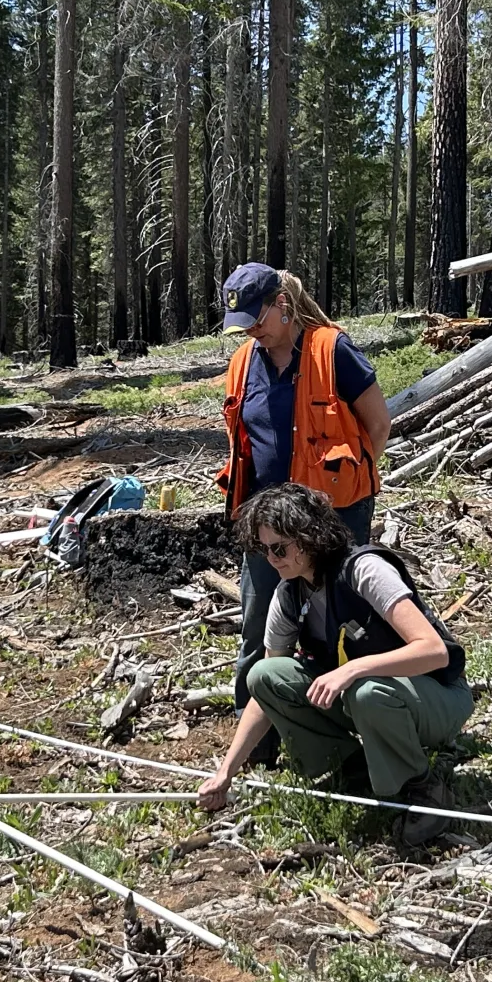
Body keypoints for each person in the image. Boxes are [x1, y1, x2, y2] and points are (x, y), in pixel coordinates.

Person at [196, 483, 473, 846]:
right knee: (264, 675)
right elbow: (264, 693)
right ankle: (353, 769)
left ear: (310, 537)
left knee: (367, 690)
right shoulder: (289, 594)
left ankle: (422, 790)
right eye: (263, 550)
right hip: (368, 698)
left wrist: (353, 668)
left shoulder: (364, 571)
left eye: (279, 548)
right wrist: (225, 772)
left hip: (435, 698)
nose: (272, 558)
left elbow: (434, 651)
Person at [216, 263, 391, 734]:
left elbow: (378, 424)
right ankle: (253, 727)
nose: (251, 330)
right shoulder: (241, 364)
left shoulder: (332, 351)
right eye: (243, 324)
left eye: (258, 318)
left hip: (334, 516)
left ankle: (351, 719)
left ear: (284, 306)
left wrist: (346, 480)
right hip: (266, 520)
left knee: (339, 615)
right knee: (257, 619)